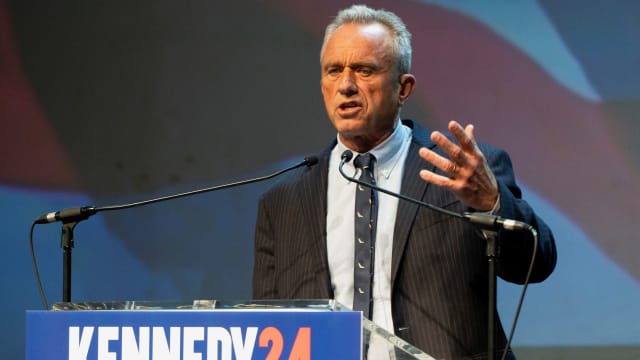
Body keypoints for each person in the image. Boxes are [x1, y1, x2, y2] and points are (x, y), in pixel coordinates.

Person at [252, 5, 556, 360]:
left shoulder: (463, 173)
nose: (346, 85)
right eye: (334, 71)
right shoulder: (283, 201)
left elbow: (535, 264)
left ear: (403, 88)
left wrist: (491, 202)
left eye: (364, 70)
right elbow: (268, 328)